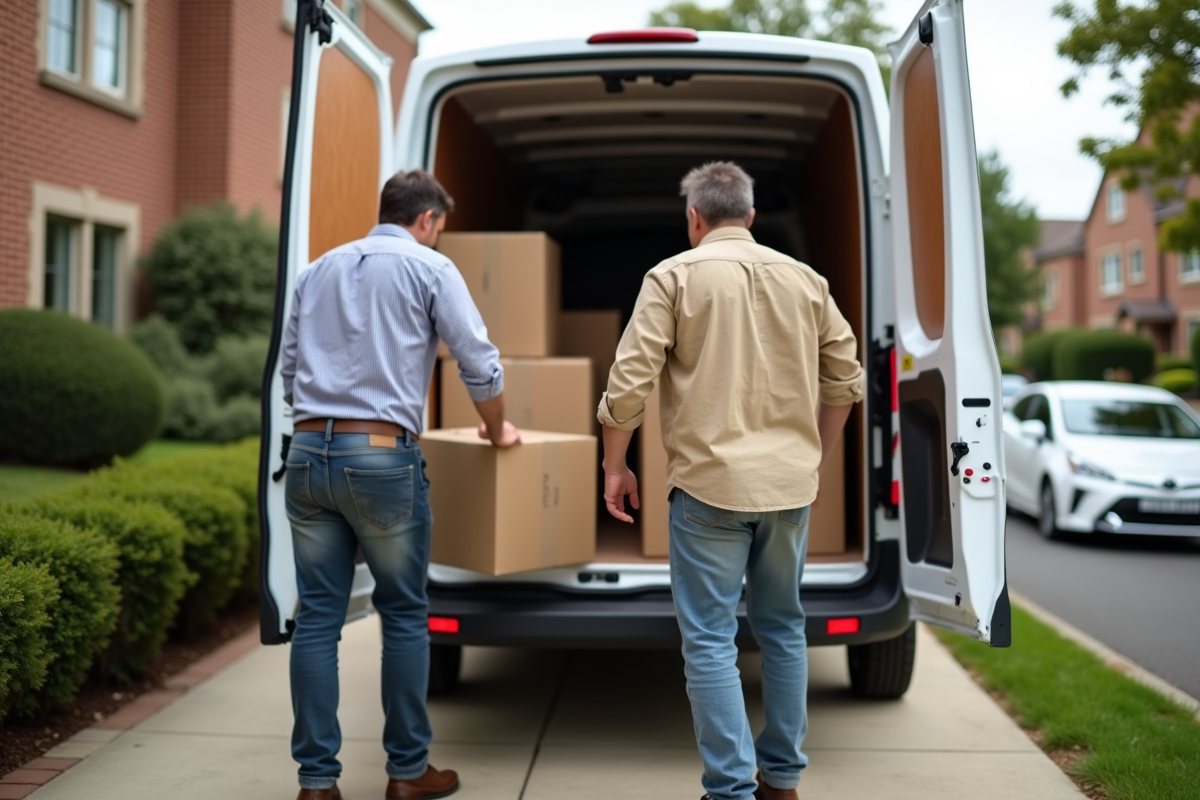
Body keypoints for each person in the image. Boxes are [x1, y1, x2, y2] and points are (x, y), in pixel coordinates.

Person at [597, 162, 863, 800]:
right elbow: (847, 380)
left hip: (708, 489)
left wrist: (615, 464)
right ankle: (783, 781)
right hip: (790, 490)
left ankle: (729, 790)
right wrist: (814, 459)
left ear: (694, 218)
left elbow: (628, 382)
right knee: (783, 628)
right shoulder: (807, 281)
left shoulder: (672, 277)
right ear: (750, 216)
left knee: (711, 640)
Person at [280, 169, 520, 800]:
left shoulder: (317, 269)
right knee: (406, 615)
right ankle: (408, 774)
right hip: (382, 457)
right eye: (440, 227)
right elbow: (479, 360)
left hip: (306, 453)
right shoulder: (429, 267)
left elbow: (289, 367)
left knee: (317, 619)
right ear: (429, 220)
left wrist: (317, 424)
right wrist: (497, 431)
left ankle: (316, 784)